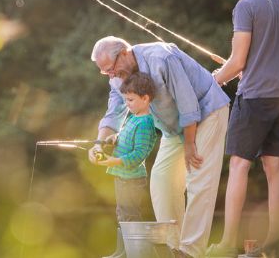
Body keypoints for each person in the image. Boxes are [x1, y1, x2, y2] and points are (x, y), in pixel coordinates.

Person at [88, 37, 230, 258]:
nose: (111, 75)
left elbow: (188, 102)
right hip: (174, 127)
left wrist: (190, 144)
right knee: (162, 179)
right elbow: (114, 109)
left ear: (124, 53)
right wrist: (99, 142)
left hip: (206, 111)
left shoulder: (162, 58)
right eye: (105, 72)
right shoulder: (117, 78)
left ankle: (190, 252)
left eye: (111, 69)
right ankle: (173, 248)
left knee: (198, 177)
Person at [206, 0, 279, 258]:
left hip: (254, 99)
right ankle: (275, 243)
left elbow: (236, 62)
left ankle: (226, 243)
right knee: (275, 166)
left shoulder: (246, 6)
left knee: (238, 165)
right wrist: (262, 65)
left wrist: (215, 80)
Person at [94, 72, 159, 258]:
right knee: (122, 215)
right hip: (121, 177)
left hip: (132, 180)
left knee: (131, 217)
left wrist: (114, 161)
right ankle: (122, 252)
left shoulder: (145, 123)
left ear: (145, 98)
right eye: (126, 100)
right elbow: (123, 136)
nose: (127, 104)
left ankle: (136, 254)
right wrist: (113, 138)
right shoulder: (132, 117)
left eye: (130, 100)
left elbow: (139, 154)